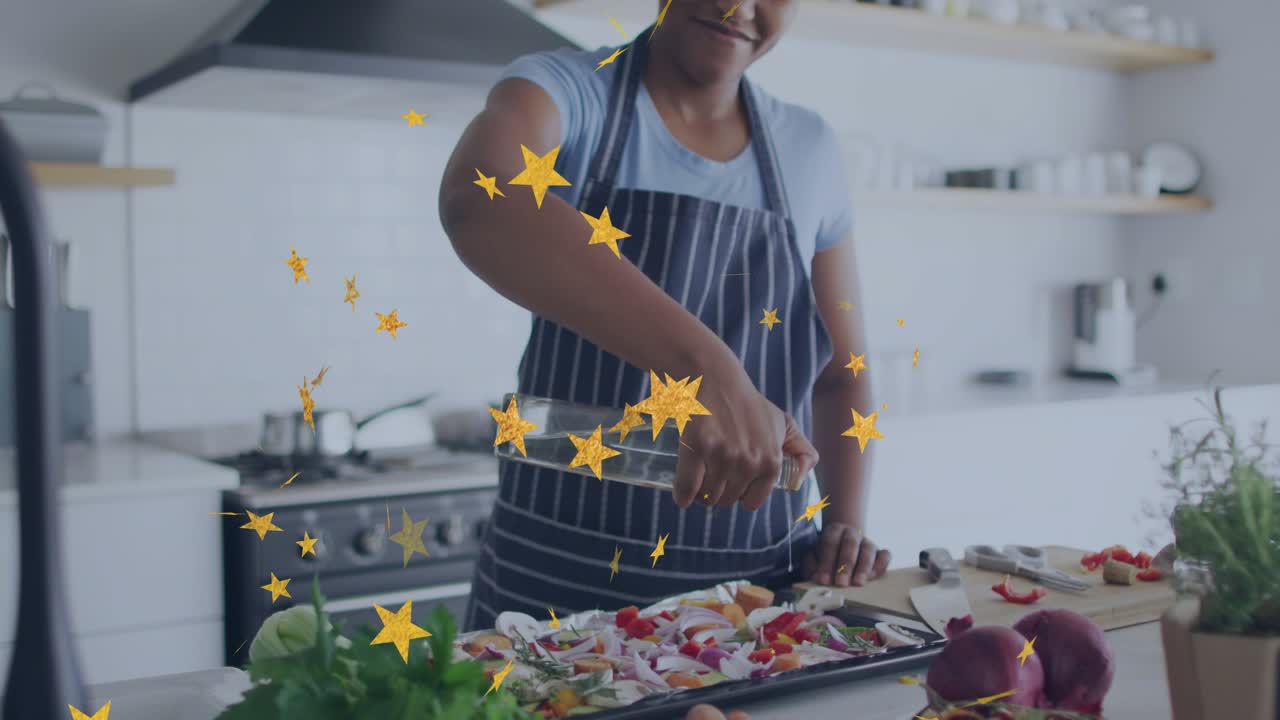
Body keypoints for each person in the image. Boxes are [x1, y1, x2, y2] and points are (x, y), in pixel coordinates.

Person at [440, 0, 891, 634]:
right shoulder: (567, 93)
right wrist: (708, 370)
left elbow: (841, 374)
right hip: (548, 595)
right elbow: (478, 197)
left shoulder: (809, 148)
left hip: (748, 602)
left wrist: (844, 520)